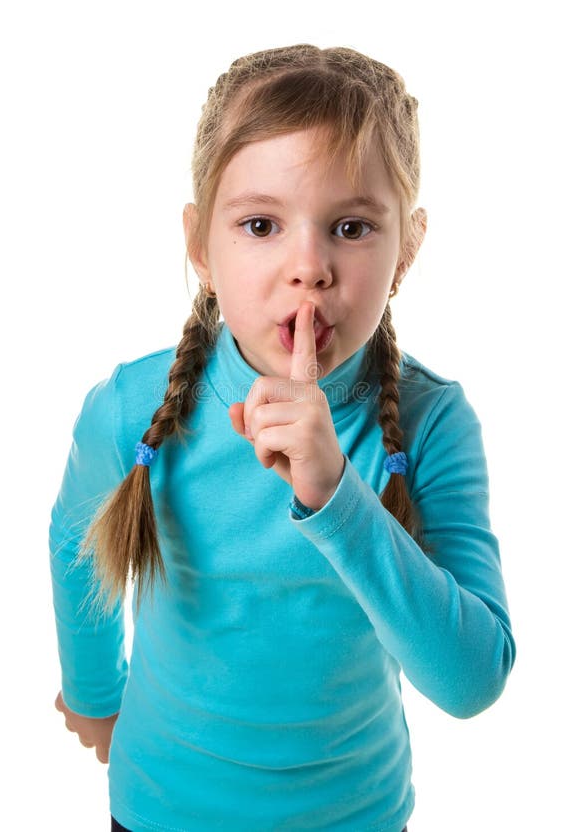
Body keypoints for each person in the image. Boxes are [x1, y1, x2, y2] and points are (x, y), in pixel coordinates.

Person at [49, 44, 516, 832]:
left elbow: (472, 680)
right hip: (162, 809)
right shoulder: (131, 408)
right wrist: (94, 694)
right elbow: (76, 545)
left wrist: (335, 494)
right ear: (201, 245)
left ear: (407, 247)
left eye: (352, 226)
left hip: (355, 815)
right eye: (261, 224)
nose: (310, 266)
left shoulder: (433, 421)